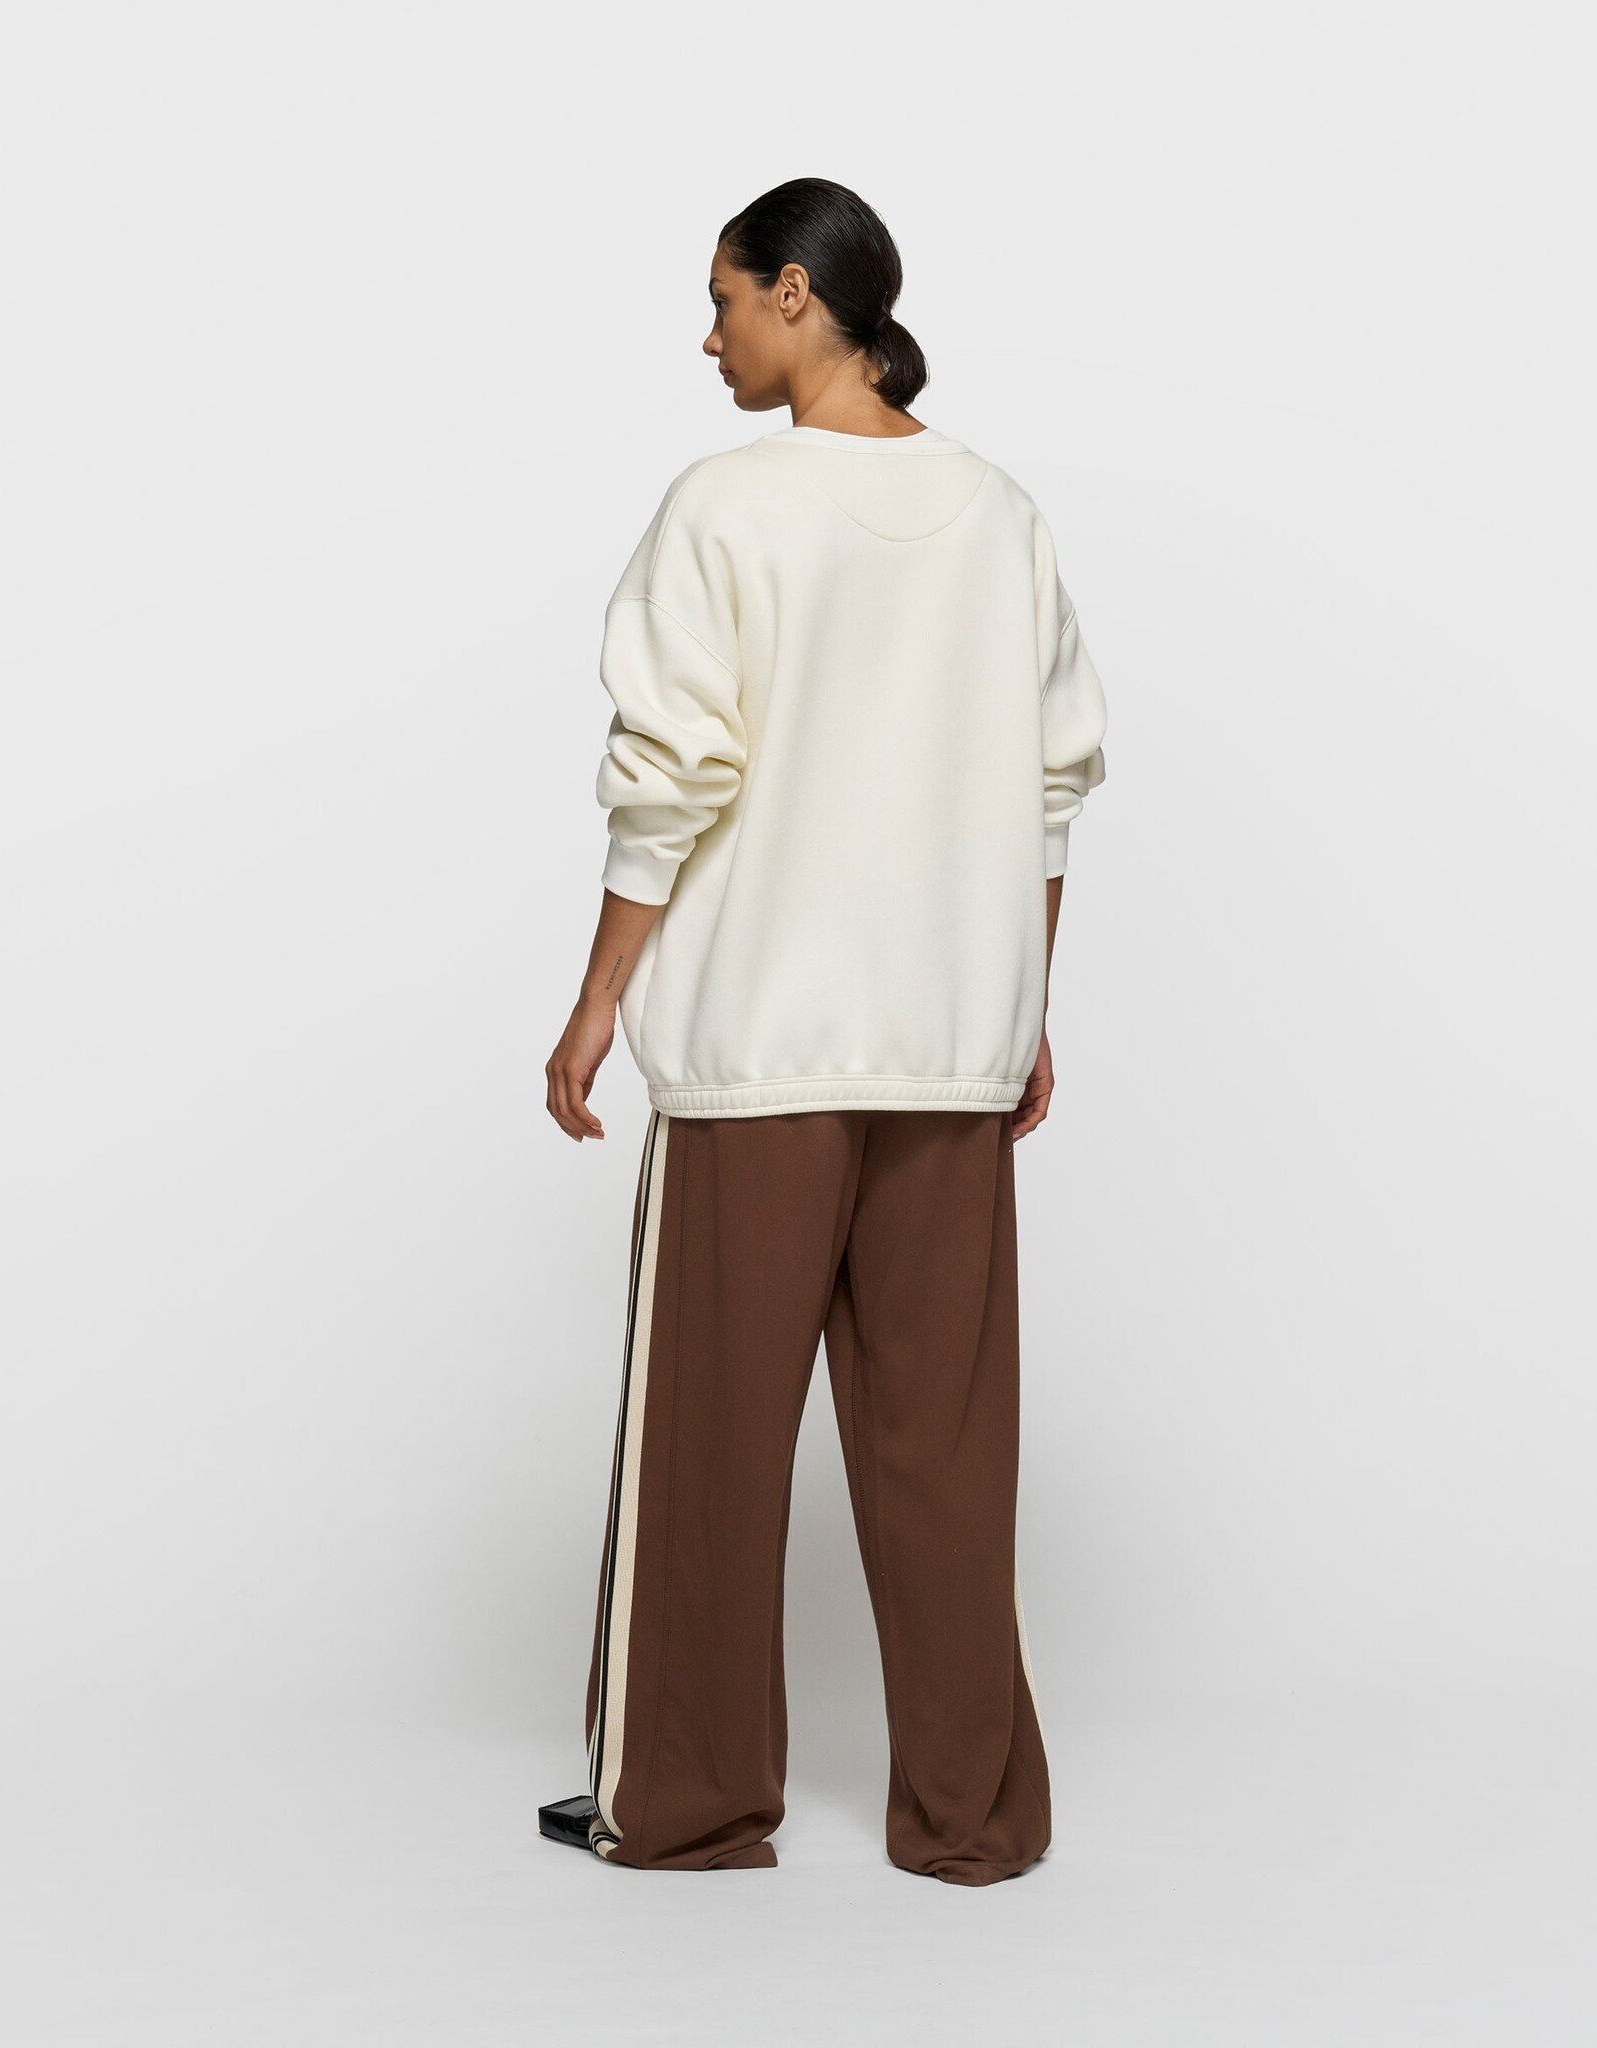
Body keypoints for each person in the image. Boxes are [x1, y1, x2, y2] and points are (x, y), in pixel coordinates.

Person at [542, 178, 1108, 1885]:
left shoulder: (728, 505)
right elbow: (1053, 785)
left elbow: (669, 772)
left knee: (709, 1447)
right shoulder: (1000, 513)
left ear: (797, 294)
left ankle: (687, 1801)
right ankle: (972, 1818)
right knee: (948, 1450)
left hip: (761, 1058)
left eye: (723, 300)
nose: (707, 336)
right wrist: (1020, 1007)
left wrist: (598, 996)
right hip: (951, 1048)